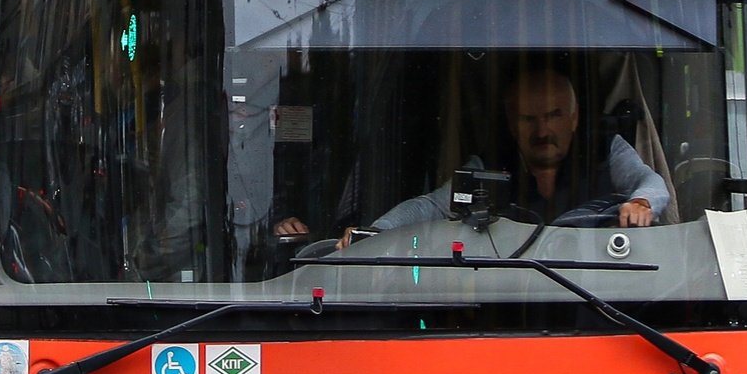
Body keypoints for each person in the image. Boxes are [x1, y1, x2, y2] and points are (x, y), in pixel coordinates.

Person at [277, 66, 669, 243]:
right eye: (528, 119)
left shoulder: (606, 146)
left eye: (553, 116)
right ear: (511, 123)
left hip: (603, 298)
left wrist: (640, 202)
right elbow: (432, 206)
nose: (542, 130)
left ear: (574, 117)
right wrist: (374, 233)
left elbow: (649, 182)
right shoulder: (488, 165)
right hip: (508, 300)